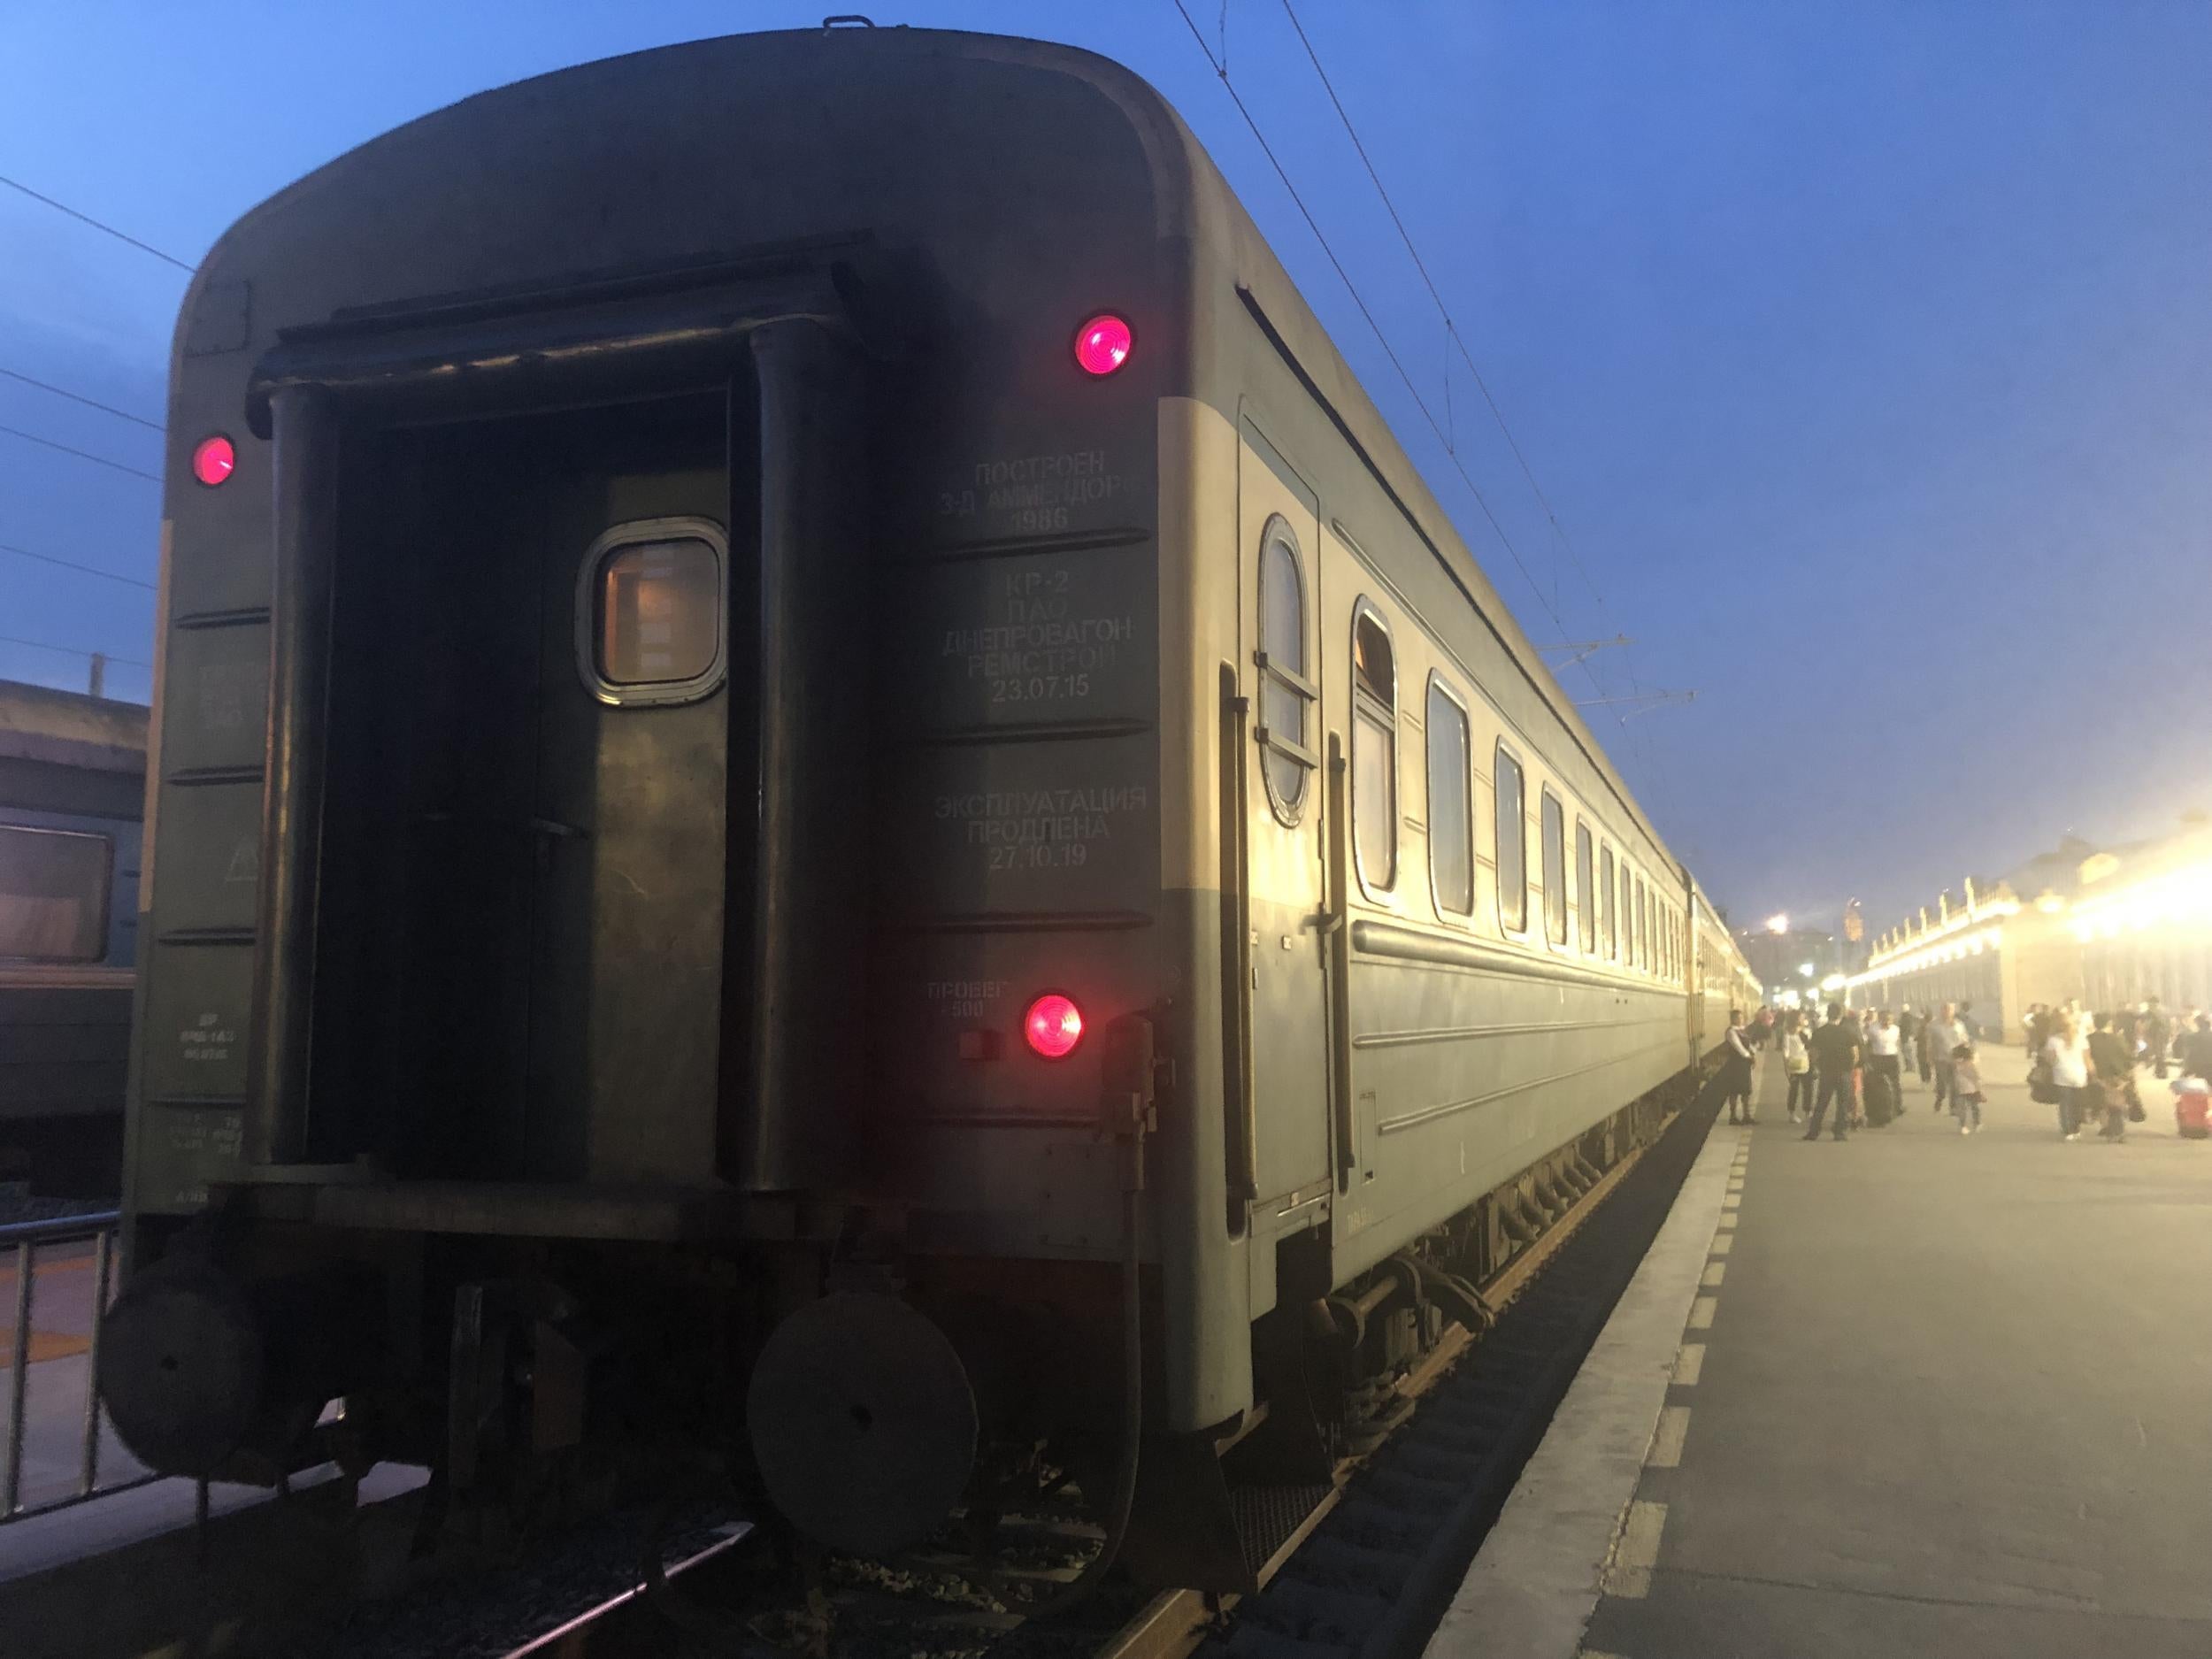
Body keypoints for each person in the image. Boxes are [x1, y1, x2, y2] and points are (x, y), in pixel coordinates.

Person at [1803, 1002, 1860, 1142]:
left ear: (1827, 1013)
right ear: (1840, 1015)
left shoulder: (1819, 1032)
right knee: (1842, 1103)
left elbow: (1813, 1054)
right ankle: (1840, 1133)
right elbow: (1855, 1054)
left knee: (1821, 1103)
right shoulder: (1848, 1032)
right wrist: (1849, 1068)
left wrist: (1817, 1066)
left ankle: (1813, 1132)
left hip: (1826, 1072)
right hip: (1843, 1072)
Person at [2042, 1010, 2092, 1141]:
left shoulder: (2053, 1040)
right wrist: (2093, 1072)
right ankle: (2076, 1128)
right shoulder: (2081, 1038)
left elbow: (2050, 1059)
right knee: (2077, 1103)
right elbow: (2087, 1058)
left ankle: (2068, 1130)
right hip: (2080, 1074)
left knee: (2065, 1103)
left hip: (2062, 1073)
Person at [2086, 1011, 2131, 1142]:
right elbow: (2127, 1057)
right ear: (2109, 1023)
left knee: (2101, 1103)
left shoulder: (2089, 1039)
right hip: (2117, 1076)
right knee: (2116, 1104)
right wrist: (2127, 1075)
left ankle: (2106, 1127)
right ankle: (2118, 1131)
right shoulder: (2118, 1039)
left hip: (2097, 1076)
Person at [1926, 1002, 1968, 1115]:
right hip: (1940, 1059)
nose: (1948, 1011)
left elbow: (1964, 1041)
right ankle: (1939, 1098)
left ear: (1954, 1011)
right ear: (1941, 1010)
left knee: (1955, 1084)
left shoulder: (1959, 1025)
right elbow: (1929, 1043)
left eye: (1950, 1009)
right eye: (1945, 1009)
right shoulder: (1933, 1025)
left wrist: (1966, 1056)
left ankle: (1953, 1107)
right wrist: (1929, 1058)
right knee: (1942, 1085)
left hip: (1956, 1059)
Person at [1722, 1010, 1756, 1125]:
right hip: (1736, 1064)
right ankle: (1733, 1117)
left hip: (1744, 1064)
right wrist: (1749, 1056)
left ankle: (1747, 1115)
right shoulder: (1731, 1032)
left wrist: (1753, 1052)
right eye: (1739, 1017)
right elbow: (1738, 1047)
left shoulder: (1741, 1030)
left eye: (1742, 1017)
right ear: (1733, 1019)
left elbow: (1748, 1044)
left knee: (1746, 1090)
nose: (1741, 1019)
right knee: (1735, 1090)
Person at [1868, 1010, 1904, 1115]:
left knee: (1895, 1083)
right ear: (1880, 1019)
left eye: (1889, 1019)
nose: (1887, 1022)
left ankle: (1898, 1106)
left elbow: (1898, 1043)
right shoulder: (1873, 1029)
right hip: (1877, 1058)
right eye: (1884, 1019)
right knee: (1877, 1083)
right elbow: (1869, 1044)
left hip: (1892, 1057)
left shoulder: (1896, 1029)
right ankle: (1878, 1107)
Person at [1782, 1011, 1814, 1124]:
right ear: (1795, 1019)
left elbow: (1810, 1048)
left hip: (1807, 1064)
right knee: (1794, 1090)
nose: (1803, 1019)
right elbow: (1785, 1052)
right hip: (1794, 1065)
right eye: (1801, 1017)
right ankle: (1791, 1113)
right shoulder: (1788, 1035)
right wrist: (1786, 1068)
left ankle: (1808, 1112)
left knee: (1808, 1089)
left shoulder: (1806, 1032)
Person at [1950, 1041, 1985, 1133]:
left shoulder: (1955, 1064)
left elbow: (1953, 1078)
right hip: (1971, 1089)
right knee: (1974, 1107)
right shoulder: (1970, 1064)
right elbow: (1975, 1077)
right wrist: (1979, 1090)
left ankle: (1963, 1126)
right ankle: (1977, 1124)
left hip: (1960, 1089)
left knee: (1962, 1109)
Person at [2145, 998, 2171, 1080]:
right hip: (2155, 1035)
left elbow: (2165, 1023)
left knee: (2160, 1054)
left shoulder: (2158, 1012)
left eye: (2151, 1004)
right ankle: (2159, 1071)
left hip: (2159, 1035)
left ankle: (2162, 1072)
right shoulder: (2149, 1013)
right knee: (2158, 1054)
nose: (2150, 1006)